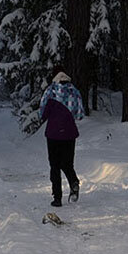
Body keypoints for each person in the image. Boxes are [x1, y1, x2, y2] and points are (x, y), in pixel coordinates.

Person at [39, 67, 85, 207]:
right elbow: (80, 114)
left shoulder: (50, 92)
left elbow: (42, 113)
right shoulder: (75, 92)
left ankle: (57, 198)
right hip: (69, 134)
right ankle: (73, 182)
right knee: (67, 163)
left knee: (55, 165)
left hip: (53, 134)